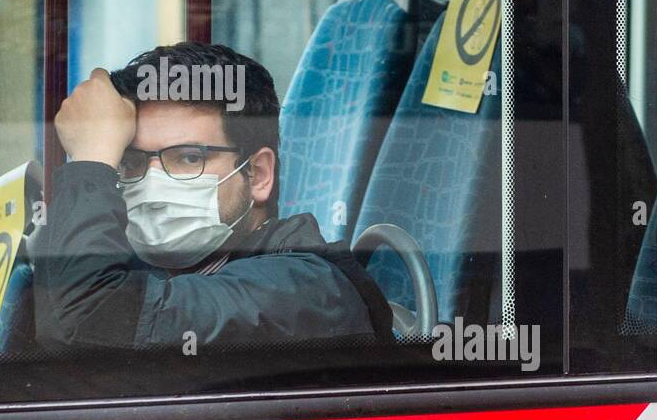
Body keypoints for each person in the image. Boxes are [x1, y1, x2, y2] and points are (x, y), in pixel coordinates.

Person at [35, 42, 391, 349]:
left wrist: (92, 161)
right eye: (129, 163)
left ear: (258, 175)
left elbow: (89, 318)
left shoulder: (305, 293)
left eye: (190, 158)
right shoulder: (156, 274)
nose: (154, 186)